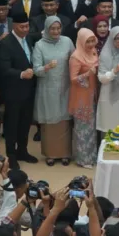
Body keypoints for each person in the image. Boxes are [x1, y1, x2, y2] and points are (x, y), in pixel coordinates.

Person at [33, 16, 75, 166]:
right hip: (48, 89)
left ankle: (65, 154)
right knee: (50, 122)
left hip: (65, 87)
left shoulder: (67, 41)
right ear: (47, 29)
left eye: (58, 28)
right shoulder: (39, 45)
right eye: (52, 28)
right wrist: (47, 67)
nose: (56, 31)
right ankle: (50, 154)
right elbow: (36, 69)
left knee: (64, 121)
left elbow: (75, 60)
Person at [0, 13, 38, 168]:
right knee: (12, 124)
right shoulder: (6, 43)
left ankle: (22, 150)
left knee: (25, 122)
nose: (25, 29)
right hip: (13, 91)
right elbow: (4, 69)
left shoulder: (29, 38)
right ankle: (11, 154)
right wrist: (21, 74)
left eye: (27, 26)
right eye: (22, 27)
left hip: (29, 89)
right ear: (14, 26)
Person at [69, 28, 99, 167]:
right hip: (81, 97)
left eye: (93, 40)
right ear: (81, 41)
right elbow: (73, 79)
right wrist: (88, 74)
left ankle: (92, 157)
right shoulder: (75, 57)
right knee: (82, 128)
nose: (91, 44)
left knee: (91, 128)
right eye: (88, 41)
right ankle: (83, 159)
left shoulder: (93, 52)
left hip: (92, 94)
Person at [97, 26, 119, 135]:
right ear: (112, 38)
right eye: (117, 39)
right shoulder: (105, 54)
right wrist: (114, 71)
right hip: (108, 95)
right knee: (108, 128)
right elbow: (101, 78)